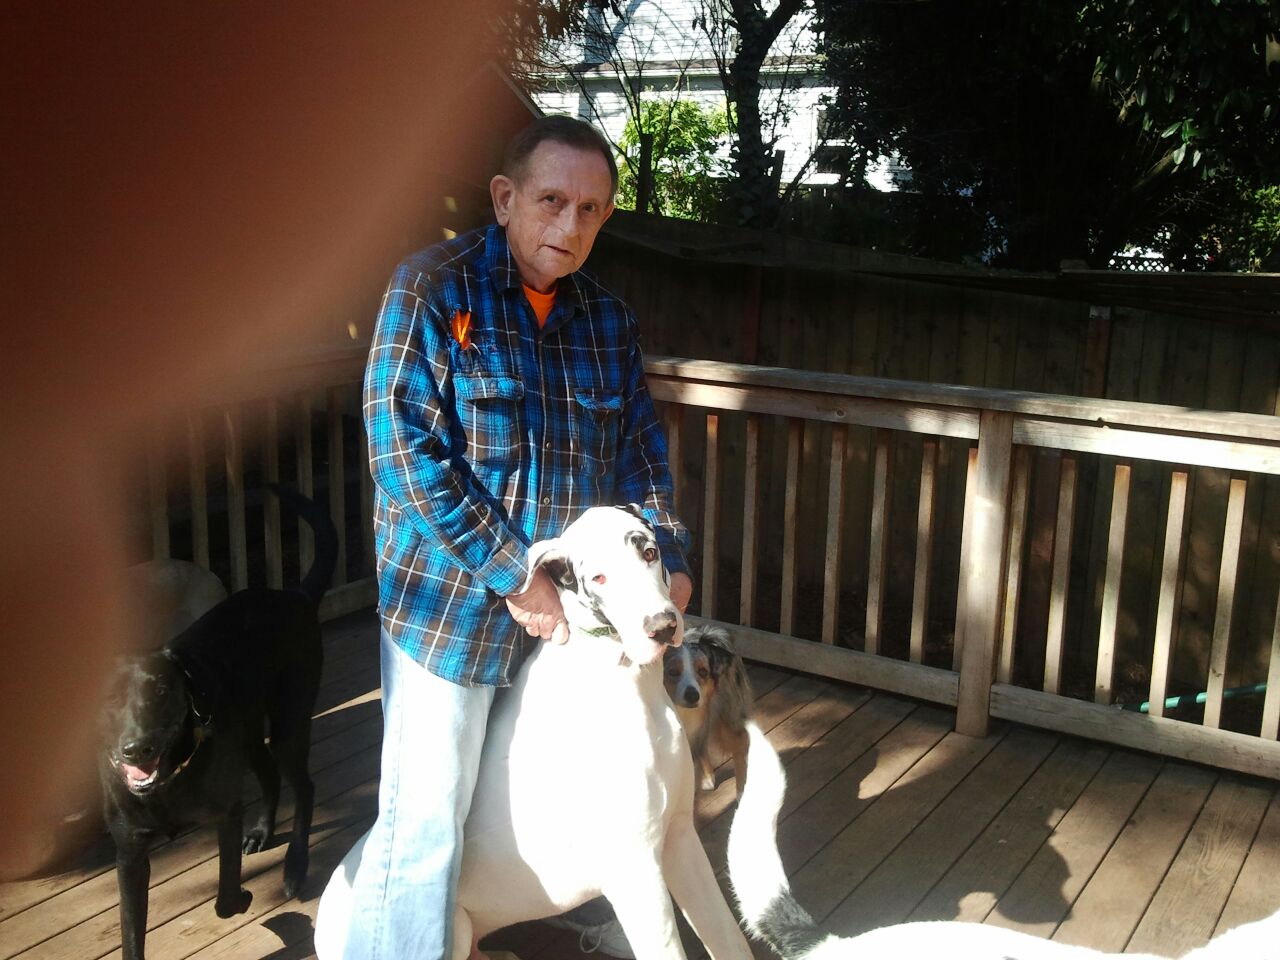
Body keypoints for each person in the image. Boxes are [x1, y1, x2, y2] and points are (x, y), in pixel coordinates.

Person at [336, 115, 692, 960]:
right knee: (426, 825)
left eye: (591, 210)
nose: (571, 225)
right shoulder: (431, 289)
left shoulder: (607, 321)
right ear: (504, 198)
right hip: (448, 611)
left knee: (548, 780)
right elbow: (400, 448)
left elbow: (642, 455)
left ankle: (546, 909)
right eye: (551, 201)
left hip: (569, 622)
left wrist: (669, 559)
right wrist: (512, 574)